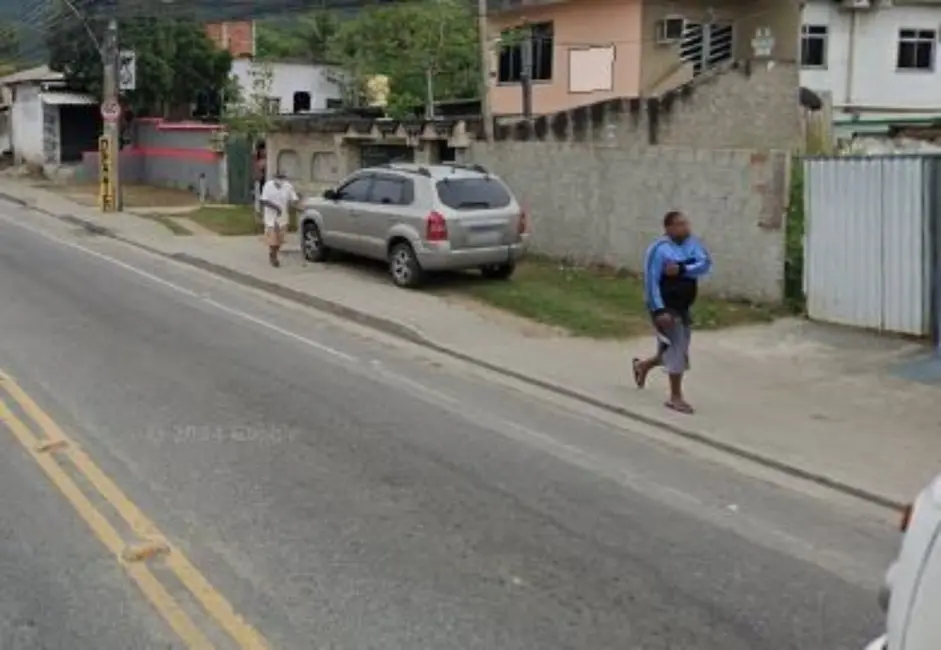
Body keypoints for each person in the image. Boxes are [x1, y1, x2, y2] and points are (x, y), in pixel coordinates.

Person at [632, 210, 712, 414]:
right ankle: (675, 397)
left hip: (683, 306)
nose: (685, 228)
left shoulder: (692, 244)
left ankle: (642, 366)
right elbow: (652, 282)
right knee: (677, 348)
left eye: (686, 223)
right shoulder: (659, 250)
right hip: (666, 307)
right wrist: (659, 310)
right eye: (679, 224)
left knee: (672, 349)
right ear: (668, 228)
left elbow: (704, 264)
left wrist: (683, 269)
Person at [259, 171, 298, 268]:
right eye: (278, 178)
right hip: (271, 216)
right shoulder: (268, 186)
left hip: (283, 217)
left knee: (280, 239)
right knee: (273, 237)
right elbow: (263, 200)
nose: (280, 180)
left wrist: (296, 205)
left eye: (282, 178)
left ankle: (274, 251)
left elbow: (293, 199)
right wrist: (276, 207)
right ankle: (273, 257)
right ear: (274, 178)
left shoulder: (288, 186)